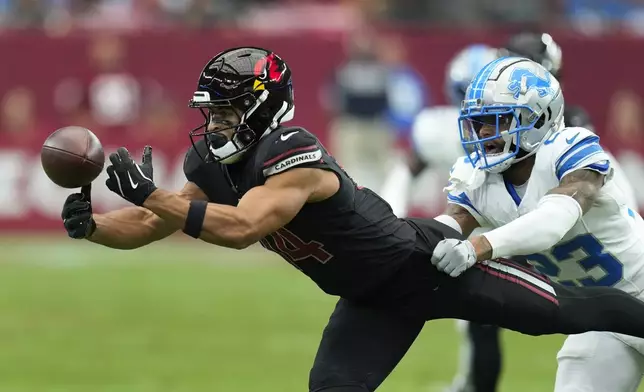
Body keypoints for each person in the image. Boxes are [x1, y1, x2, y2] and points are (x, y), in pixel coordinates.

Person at [61, 47, 644, 392]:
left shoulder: (292, 148)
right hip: (366, 294)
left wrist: (153, 196)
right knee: (332, 389)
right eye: (212, 111)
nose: (215, 123)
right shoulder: (211, 162)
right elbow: (149, 226)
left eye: (228, 109)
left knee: (564, 312)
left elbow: (240, 228)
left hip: (422, 265)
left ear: (261, 108)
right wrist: (94, 226)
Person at [432, 54, 644, 392]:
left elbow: (554, 219)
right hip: (603, 320)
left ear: (538, 118)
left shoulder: (568, 149)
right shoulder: (477, 180)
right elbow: (445, 227)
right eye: (479, 122)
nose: (484, 132)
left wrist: (478, 247)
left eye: (497, 120)